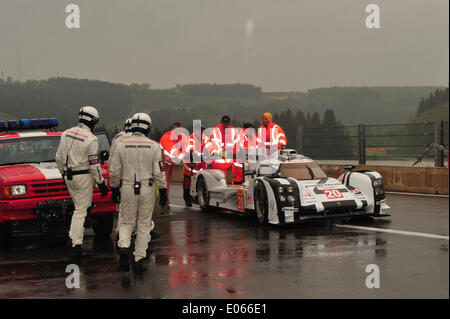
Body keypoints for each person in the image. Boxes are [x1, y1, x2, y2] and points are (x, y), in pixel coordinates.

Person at [109, 113, 168, 272]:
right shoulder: (154, 146)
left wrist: (114, 188)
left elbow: (114, 170)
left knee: (127, 222)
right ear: (147, 127)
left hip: (127, 187)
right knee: (143, 224)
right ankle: (138, 258)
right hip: (147, 188)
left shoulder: (121, 145)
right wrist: (163, 192)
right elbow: (159, 172)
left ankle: (123, 247)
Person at [56, 106, 108, 258]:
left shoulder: (65, 133)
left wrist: (63, 173)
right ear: (93, 121)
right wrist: (101, 183)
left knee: (79, 208)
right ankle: (76, 244)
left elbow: (59, 157)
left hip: (68, 176)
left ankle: (74, 237)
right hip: (83, 177)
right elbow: (94, 164)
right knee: (81, 210)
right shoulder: (91, 139)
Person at [182, 125, 213, 206]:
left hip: (200, 164)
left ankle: (199, 197)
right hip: (190, 165)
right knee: (187, 182)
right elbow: (190, 148)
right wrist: (192, 154)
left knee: (200, 181)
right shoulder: (191, 139)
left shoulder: (205, 138)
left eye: (202, 130)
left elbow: (209, 146)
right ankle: (187, 198)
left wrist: (213, 152)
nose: (201, 132)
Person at [159, 122, 188, 196]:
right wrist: (184, 157)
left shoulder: (182, 136)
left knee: (167, 181)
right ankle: (165, 199)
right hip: (162, 161)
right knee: (165, 181)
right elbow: (172, 150)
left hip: (170, 162)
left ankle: (165, 199)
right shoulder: (167, 136)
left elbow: (187, 147)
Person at [210, 115, 240, 183]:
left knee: (224, 173)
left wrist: (234, 152)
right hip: (218, 156)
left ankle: (223, 185)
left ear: (229, 123)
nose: (225, 125)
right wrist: (221, 152)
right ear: (221, 122)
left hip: (228, 156)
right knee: (217, 174)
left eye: (227, 123)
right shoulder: (216, 130)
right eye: (224, 123)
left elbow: (237, 143)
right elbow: (215, 142)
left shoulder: (233, 131)